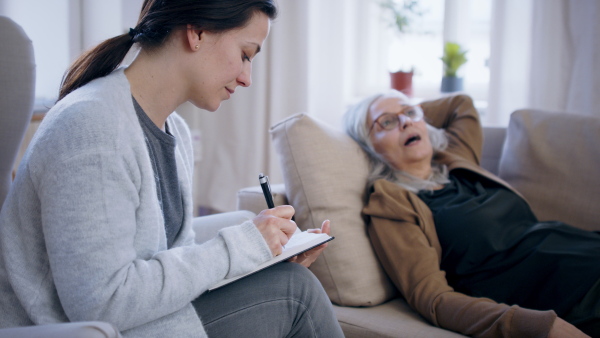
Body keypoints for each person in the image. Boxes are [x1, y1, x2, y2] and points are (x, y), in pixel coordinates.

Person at [0, 1, 344, 337]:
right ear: (197, 32)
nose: (246, 78)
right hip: (71, 327)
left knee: (286, 283)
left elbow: (174, 258)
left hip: (140, 319)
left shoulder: (172, 129)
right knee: (295, 294)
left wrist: (259, 260)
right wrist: (241, 247)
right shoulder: (91, 127)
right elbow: (102, 302)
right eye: (245, 54)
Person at [343, 90, 600, 338]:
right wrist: (537, 326)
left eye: (409, 113)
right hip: (571, 292)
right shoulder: (390, 202)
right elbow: (432, 298)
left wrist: (408, 111)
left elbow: (461, 105)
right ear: (367, 146)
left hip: (584, 249)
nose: (405, 122)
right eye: (387, 122)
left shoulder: (454, 158)